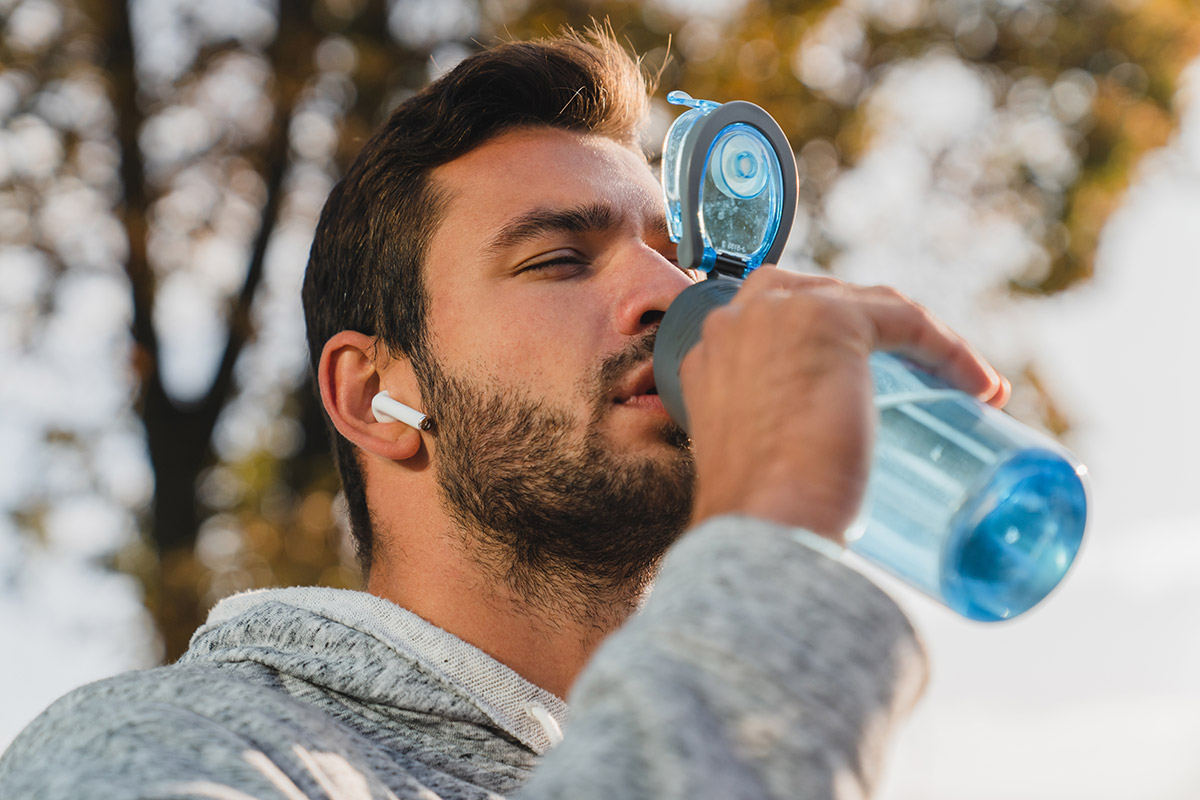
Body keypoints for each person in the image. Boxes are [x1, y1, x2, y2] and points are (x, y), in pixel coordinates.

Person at [0, 26, 1009, 800]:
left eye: (674, 254)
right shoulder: (169, 747)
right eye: (561, 257)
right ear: (377, 397)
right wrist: (773, 540)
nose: (671, 294)